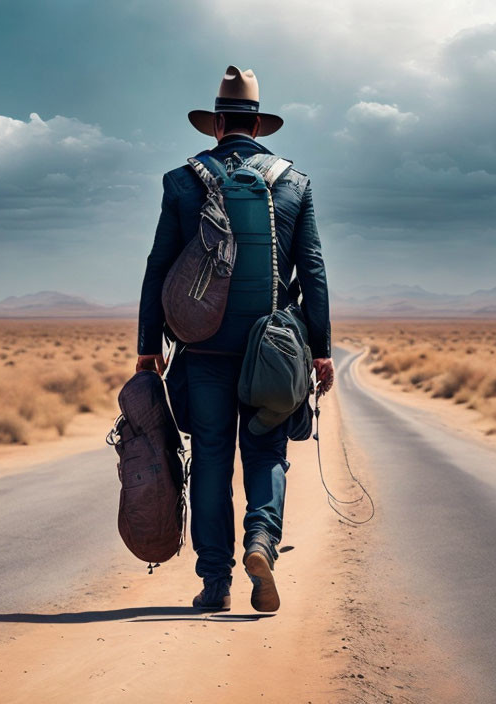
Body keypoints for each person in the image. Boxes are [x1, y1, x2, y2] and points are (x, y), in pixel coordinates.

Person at [135, 65, 333, 612]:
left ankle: (215, 581)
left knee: (213, 458)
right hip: (271, 349)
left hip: (201, 352)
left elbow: (158, 268)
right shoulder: (294, 182)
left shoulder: (182, 181)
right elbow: (312, 270)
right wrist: (321, 351)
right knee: (267, 450)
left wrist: (148, 346)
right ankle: (262, 542)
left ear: (217, 124)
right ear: (259, 127)